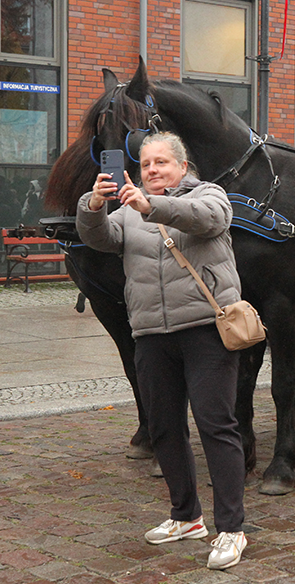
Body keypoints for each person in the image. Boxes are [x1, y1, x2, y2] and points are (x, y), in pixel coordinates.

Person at [76, 132, 248, 570]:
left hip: (206, 330)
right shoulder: (129, 213)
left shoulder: (210, 195)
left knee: (216, 426)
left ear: (182, 167)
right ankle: (186, 516)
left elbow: (204, 219)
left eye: (161, 163)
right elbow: (99, 238)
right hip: (151, 332)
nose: (152, 170)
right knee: (165, 428)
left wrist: (150, 206)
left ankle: (231, 529)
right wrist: (93, 206)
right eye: (146, 164)